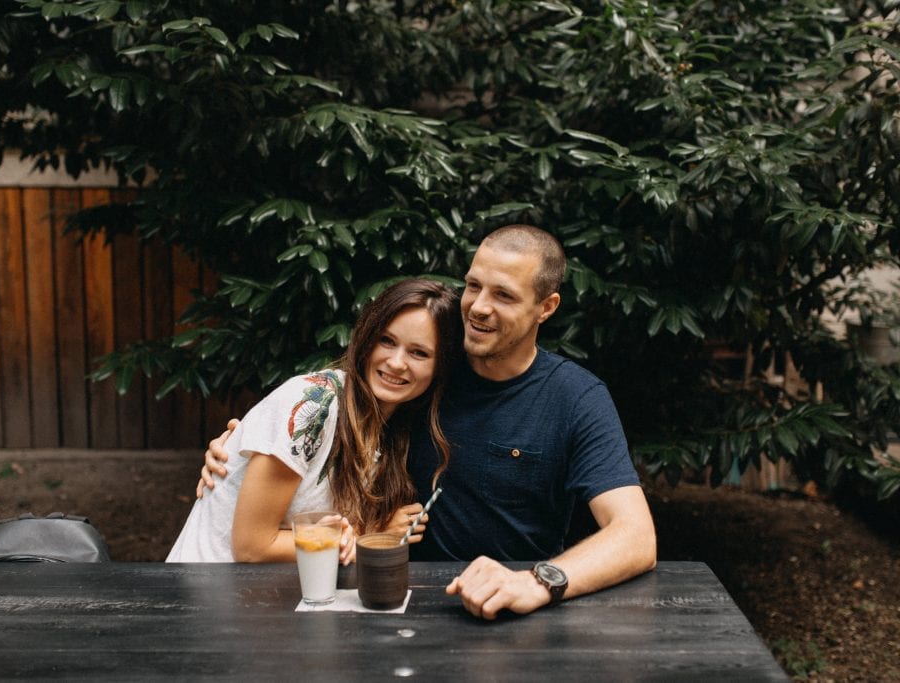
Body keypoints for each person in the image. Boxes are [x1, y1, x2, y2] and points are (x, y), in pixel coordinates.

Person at [199, 225, 657, 619]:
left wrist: (538, 583)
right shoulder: (424, 374)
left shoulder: (575, 398)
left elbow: (635, 537)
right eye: (474, 285)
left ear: (547, 307)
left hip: (513, 604)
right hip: (390, 599)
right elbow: (335, 412)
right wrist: (242, 442)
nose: (478, 306)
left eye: (504, 295)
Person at [166, 278, 463, 565]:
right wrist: (371, 538)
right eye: (386, 341)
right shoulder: (315, 403)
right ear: (367, 337)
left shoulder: (394, 433)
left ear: (440, 367)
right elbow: (252, 547)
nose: (397, 362)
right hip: (207, 596)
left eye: (419, 353)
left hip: (279, 602)